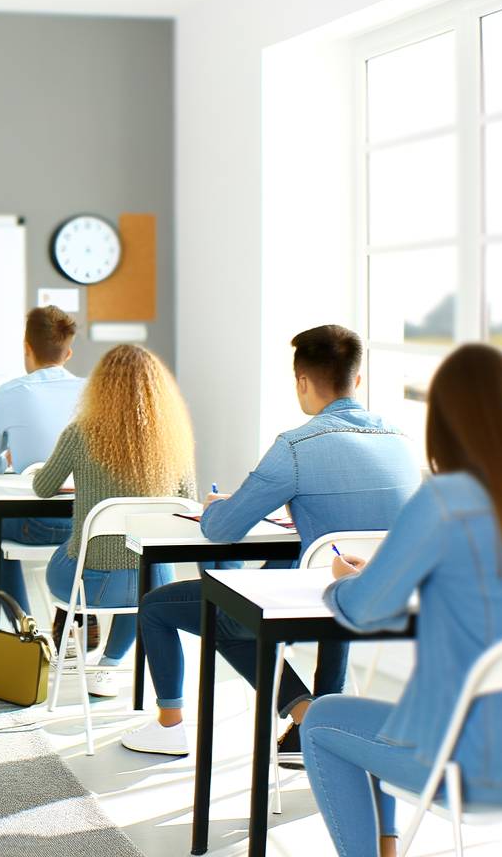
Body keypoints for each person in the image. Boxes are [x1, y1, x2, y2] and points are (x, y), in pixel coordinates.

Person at [305, 343, 502, 857]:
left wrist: (341, 581)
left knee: (323, 720)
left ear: (444, 421)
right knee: (393, 714)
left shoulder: (446, 500)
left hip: (476, 762)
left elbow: (364, 610)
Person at [122, 325, 423, 759]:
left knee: (165, 607)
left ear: (302, 382)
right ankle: (315, 725)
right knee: (322, 587)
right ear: (357, 381)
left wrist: (217, 506)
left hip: (314, 601)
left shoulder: (297, 446)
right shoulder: (401, 442)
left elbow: (221, 531)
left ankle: (283, 716)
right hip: (386, 598)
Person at [30, 343, 196, 697]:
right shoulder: (173, 442)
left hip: (89, 582)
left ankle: (74, 625)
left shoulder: (80, 433)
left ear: (100, 387)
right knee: (137, 570)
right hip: (154, 581)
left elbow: (43, 487)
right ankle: (108, 664)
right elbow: (188, 505)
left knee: (71, 550)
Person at [0, 305, 84, 622]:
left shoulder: (12, 392)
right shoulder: (94, 392)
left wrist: (8, 463)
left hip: (36, 524)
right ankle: (75, 608)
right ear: (68, 353)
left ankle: (23, 623)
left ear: (26, 348)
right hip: (91, 524)